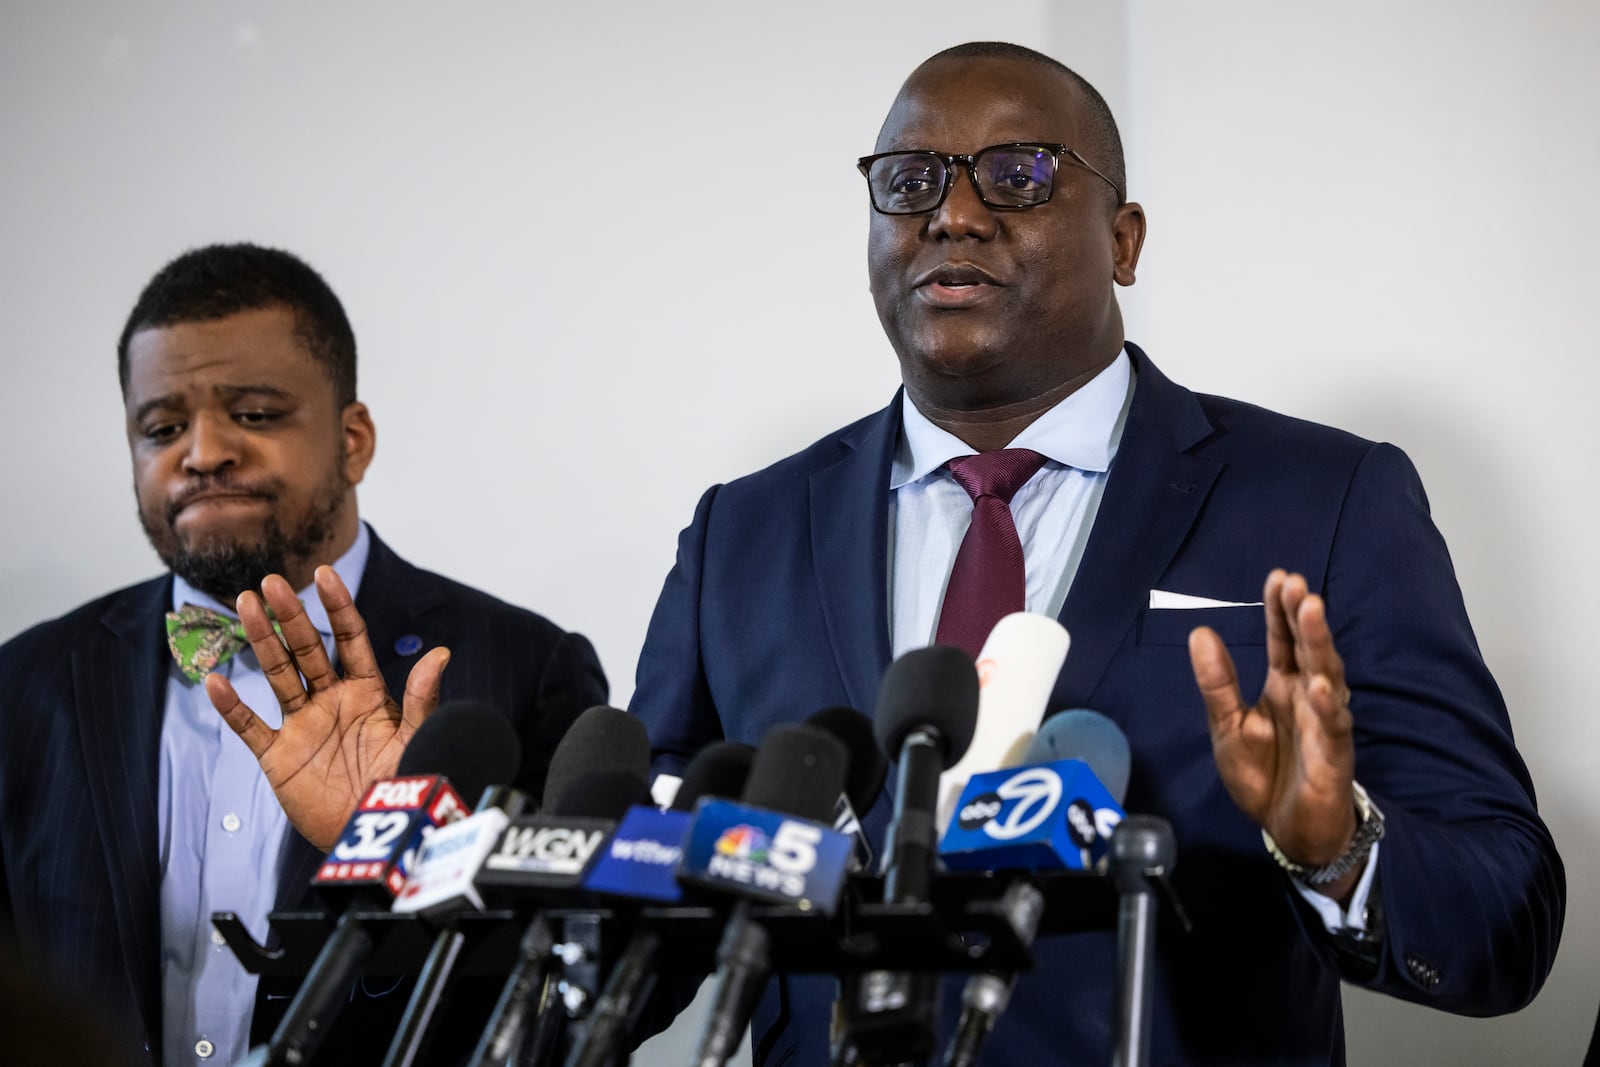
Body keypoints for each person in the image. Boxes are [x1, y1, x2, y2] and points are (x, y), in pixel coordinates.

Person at [630, 41, 1564, 1065]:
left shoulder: (1324, 500)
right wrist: (427, 885)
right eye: (909, 182)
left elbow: (1502, 916)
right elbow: (637, 914)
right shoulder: (743, 533)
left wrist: (1339, 846)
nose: (953, 214)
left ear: (1123, 240)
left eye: (1017, 173)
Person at [0, 243, 609, 1067]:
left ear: (353, 439)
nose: (203, 451)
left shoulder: (524, 669)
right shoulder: (25, 685)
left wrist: (400, 847)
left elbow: (566, 1006)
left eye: (253, 413)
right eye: (162, 427)